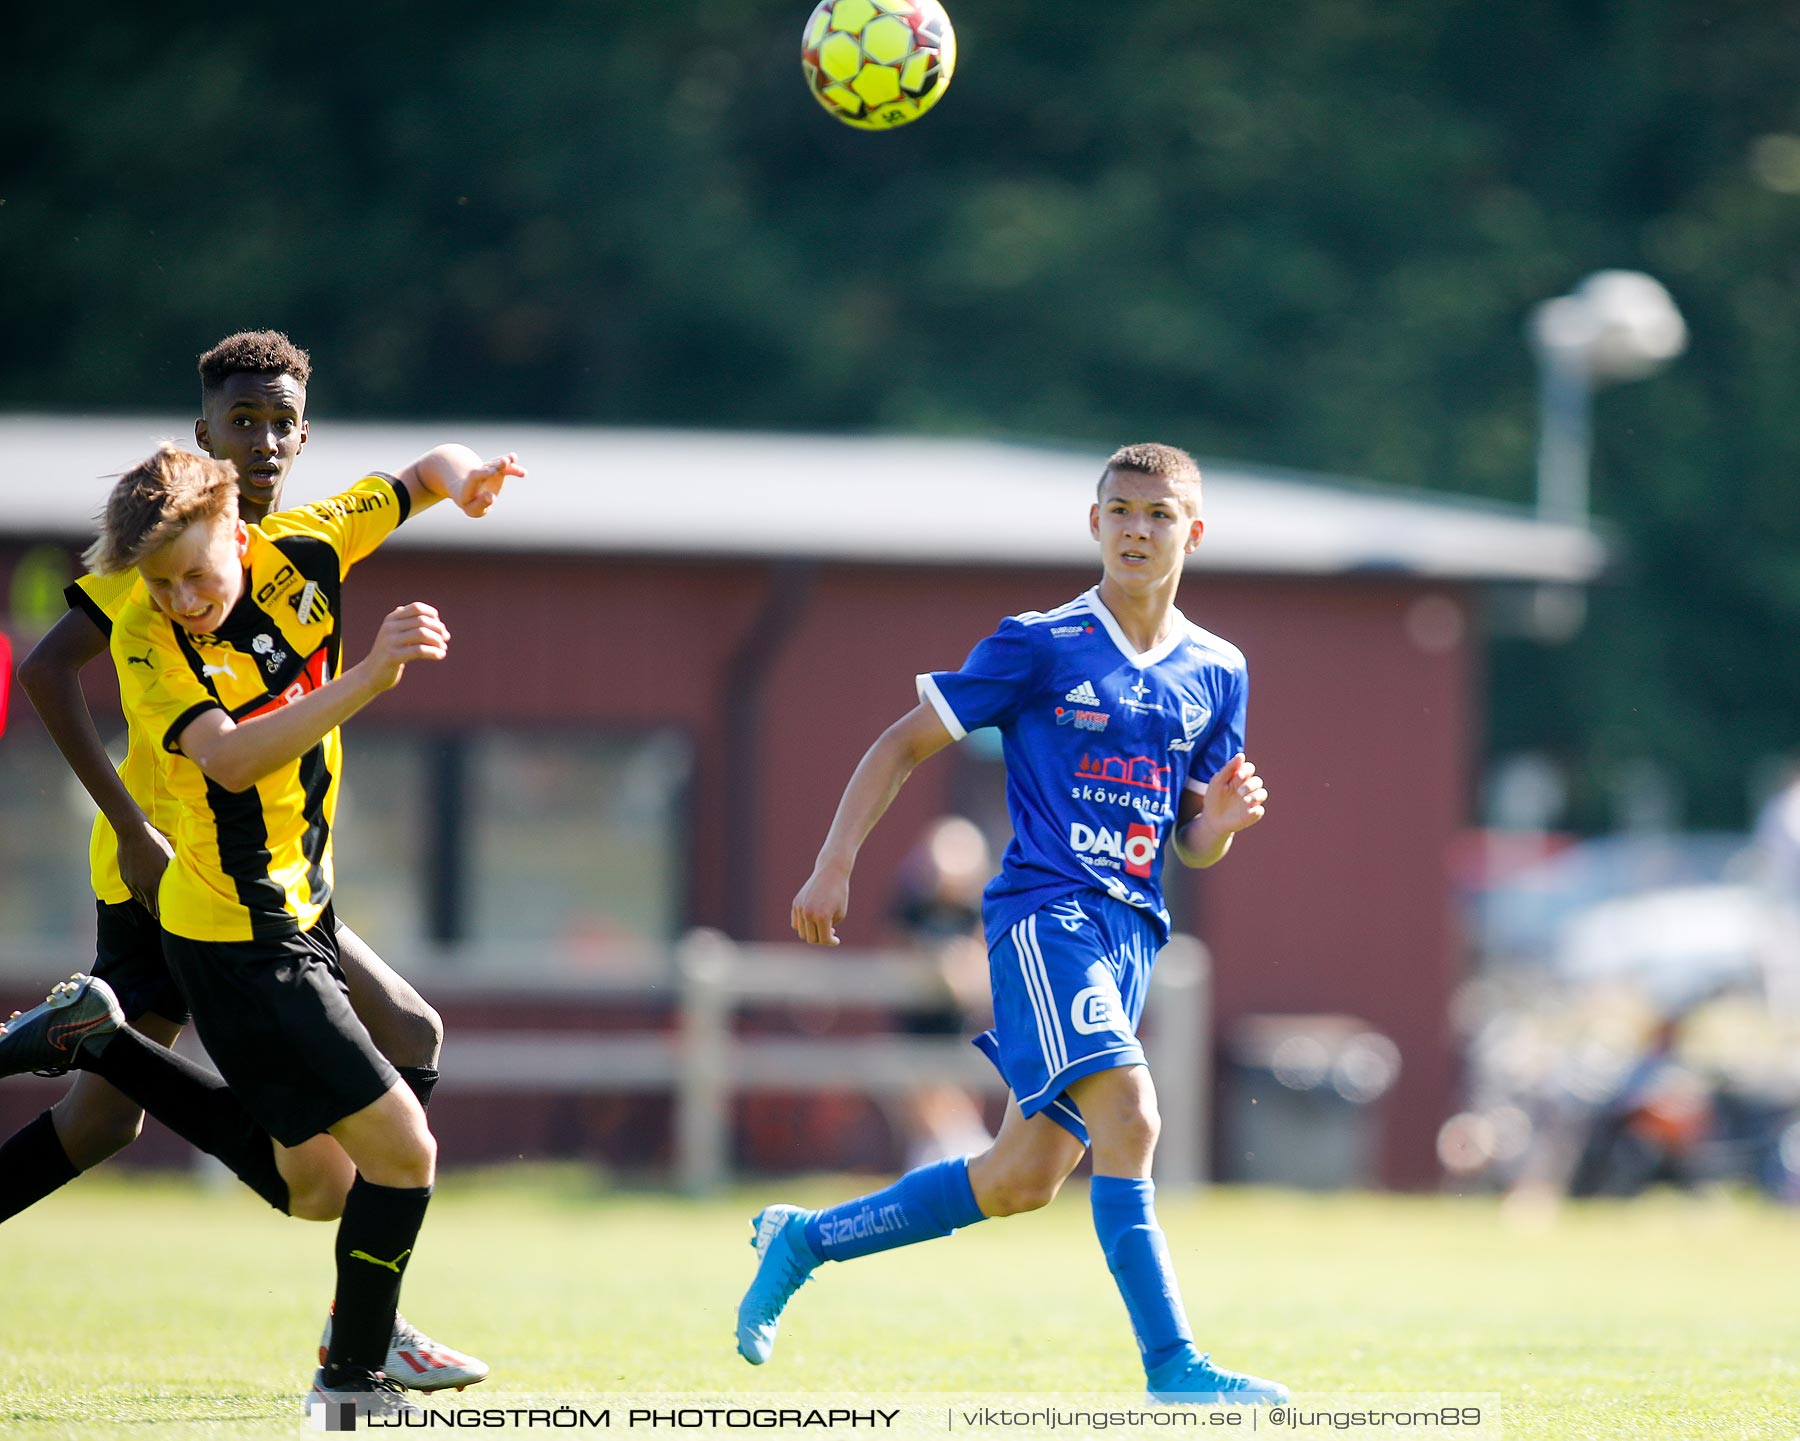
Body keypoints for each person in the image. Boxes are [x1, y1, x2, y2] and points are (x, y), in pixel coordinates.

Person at [736, 443, 1286, 1405]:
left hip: (1131, 935)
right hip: (1047, 916)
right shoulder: (1041, 642)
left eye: (1159, 516)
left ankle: (803, 1239)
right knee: (1135, 1116)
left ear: (1192, 533)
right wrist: (834, 862)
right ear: (1094, 522)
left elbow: (1191, 843)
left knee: (1021, 1178)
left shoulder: (1220, 669)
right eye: (1119, 510)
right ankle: (1174, 1368)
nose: (1136, 529)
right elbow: (901, 741)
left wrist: (1220, 828)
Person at [1, 332, 483, 1392]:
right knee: (104, 1118)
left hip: (273, 870)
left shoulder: (294, 545)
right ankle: (363, 1334)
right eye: (241, 423)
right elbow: (53, 672)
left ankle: (370, 1311)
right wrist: (128, 821)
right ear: (206, 436)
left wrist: (466, 476)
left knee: (407, 1037)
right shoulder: (153, 574)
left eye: (279, 424)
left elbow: (414, 481)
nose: (262, 441)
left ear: (301, 435)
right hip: (175, 871)